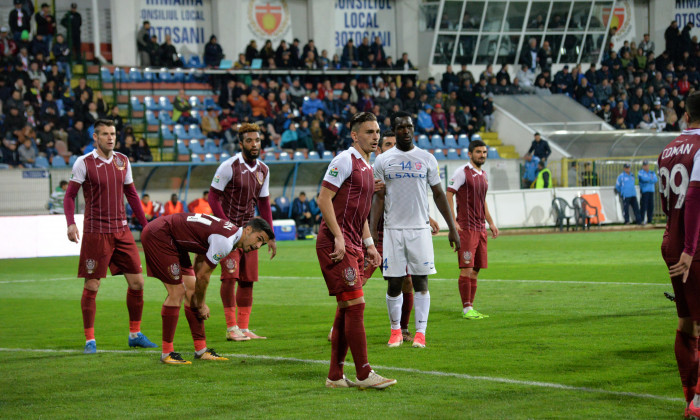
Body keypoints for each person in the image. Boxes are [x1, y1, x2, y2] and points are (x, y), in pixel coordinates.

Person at [62, 119, 156, 354]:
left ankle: (135, 334)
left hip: (122, 231)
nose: (110, 138)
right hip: (96, 232)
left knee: (138, 282)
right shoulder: (84, 163)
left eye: (113, 133)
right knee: (92, 285)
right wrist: (71, 223)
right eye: (105, 134)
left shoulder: (122, 161)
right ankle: (90, 340)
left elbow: (132, 194)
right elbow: (70, 196)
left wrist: (146, 226)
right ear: (95, 137)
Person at [317, 112, 395, 389]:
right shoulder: (344, 160)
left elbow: (359, 212)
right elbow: (323, 198)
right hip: (336, 244)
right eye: (369, 132)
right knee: (356, 305)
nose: (375, 136)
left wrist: (370, 245)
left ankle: (335, 377)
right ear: (355, 135)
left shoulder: (366, 168)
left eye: (377, 132)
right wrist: (338, 237)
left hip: (353, 243)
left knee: (346, 309)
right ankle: (364, 373)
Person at [370, 111, 460, 349]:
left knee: (421, 281)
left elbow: (439, 194)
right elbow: (378, 197)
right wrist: (372, 229)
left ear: (413, 129)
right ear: (394, 129)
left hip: (420, 229)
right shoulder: (383, 160)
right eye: (400, 128)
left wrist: (452, 227)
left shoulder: (427, 158)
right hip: (392, 229)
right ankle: (395, 331)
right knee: (393, 282)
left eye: (409, 127)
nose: (405, 131)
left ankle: (421, 333)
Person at [141, 213, 274, 365]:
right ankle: (166, 353)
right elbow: (203, 276)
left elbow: (199, 259)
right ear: (248, 229)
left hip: (174, 238)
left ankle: (201, 350)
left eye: (262, 244)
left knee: (191, 291)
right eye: (258, 239)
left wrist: (198, 299)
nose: (257, 246)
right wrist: (201, 303)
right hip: (159, 235)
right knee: (177, 292)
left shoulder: (230, 234)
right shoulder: (226, 241)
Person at [209, 123, 276, 341]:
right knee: (229, 278)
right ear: (241, 144)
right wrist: (226, 226)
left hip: (251, 234)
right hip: (229, 234)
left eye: (257, 140)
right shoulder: (229, 166)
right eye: (249, 140)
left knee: (248, 280)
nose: (254, 144)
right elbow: (213, 197)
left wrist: (271, 236)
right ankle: (231, 328)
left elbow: (264, 203)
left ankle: (244, 328)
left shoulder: (263, 170)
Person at [657, 91, 700, 418]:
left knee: (686, 324)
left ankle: (689, 398)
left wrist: (677, 243)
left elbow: (666, 204)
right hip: (694, 247)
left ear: (686, 115)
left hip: (672, 242)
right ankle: (698, 402)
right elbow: (696, 199)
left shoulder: (667, 149)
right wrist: (689, 247)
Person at [447, 139, 498, 320]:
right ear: (470, 154)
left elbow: (482, 200)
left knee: (476, 269)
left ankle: (471, 307)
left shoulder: (483, 174)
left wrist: (490, 222)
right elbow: (448, 195)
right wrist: (453, 223)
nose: (482, 155)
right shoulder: (462, 172)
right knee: (466, 269)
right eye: (478, 152)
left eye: (484, 152)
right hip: (467, 228)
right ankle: (466, 308)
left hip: (480, 227)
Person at [638, 160, 658, 225]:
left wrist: (648, 179)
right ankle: (642, 220)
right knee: (644, 206)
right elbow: (643, 179)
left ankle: (650, 220)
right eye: (644, 165)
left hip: (651, 191)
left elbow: (655, 180)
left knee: (651, 206)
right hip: (644, 191)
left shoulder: (652, 172)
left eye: (647, 165)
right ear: (643, 166)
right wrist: (650, 179)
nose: (646, 167)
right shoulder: (640, 172)